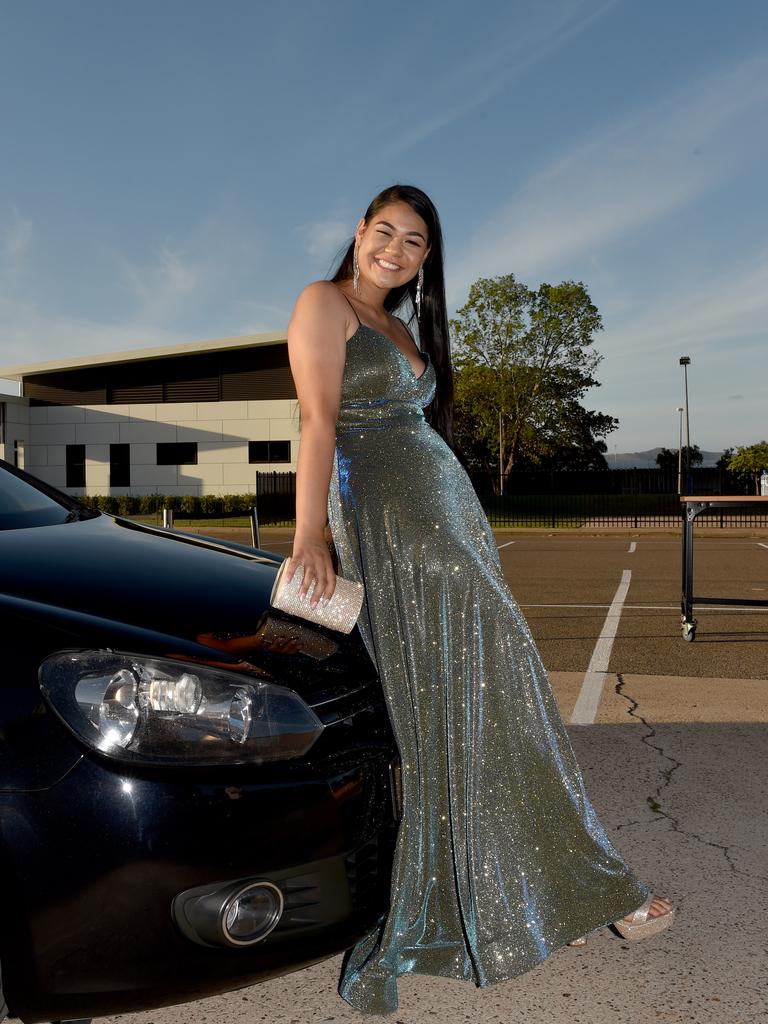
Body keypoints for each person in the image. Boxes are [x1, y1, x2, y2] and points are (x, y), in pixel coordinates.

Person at [283, 183, 675, 1014]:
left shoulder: (404, 326)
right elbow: (318, 423)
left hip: (450, 524)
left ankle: (540, 893)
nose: (395, 248)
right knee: (494, 699)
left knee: (491, 705)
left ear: (428, 258)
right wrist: (309, 533)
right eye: (383, 231)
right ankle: (588, 887)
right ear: (357, 234)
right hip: (399, 530)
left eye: (414, 241)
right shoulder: (325, 303)